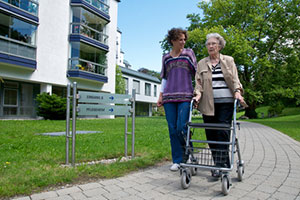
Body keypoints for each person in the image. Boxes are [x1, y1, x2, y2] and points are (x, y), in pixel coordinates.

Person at [193, 33, 247, 177]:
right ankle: (220, 163)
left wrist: (237, 92)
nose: (210, 46)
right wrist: (197, 94)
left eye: (213, 44)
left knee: (222, 131)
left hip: (226, 102)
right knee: (211, 134)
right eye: (208, 44)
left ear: (220, 46)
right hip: (207, 104)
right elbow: (198, 83)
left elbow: (235, 79)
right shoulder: (201, 63)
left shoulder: (228, 60)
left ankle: (220, 165)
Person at [157, 28, 197, 171]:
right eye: (180, 39)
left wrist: (198, 92)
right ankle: (177, 160)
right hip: (169, 97)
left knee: (182, 127)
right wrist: (160, 95)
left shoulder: (189, 53)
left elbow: (196, 73)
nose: (183, 42)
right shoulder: (166, 57)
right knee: (172, 129)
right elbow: (165, 77)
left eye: (184, 39)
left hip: (186, 96)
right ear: (173, 41)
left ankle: (189, 153)